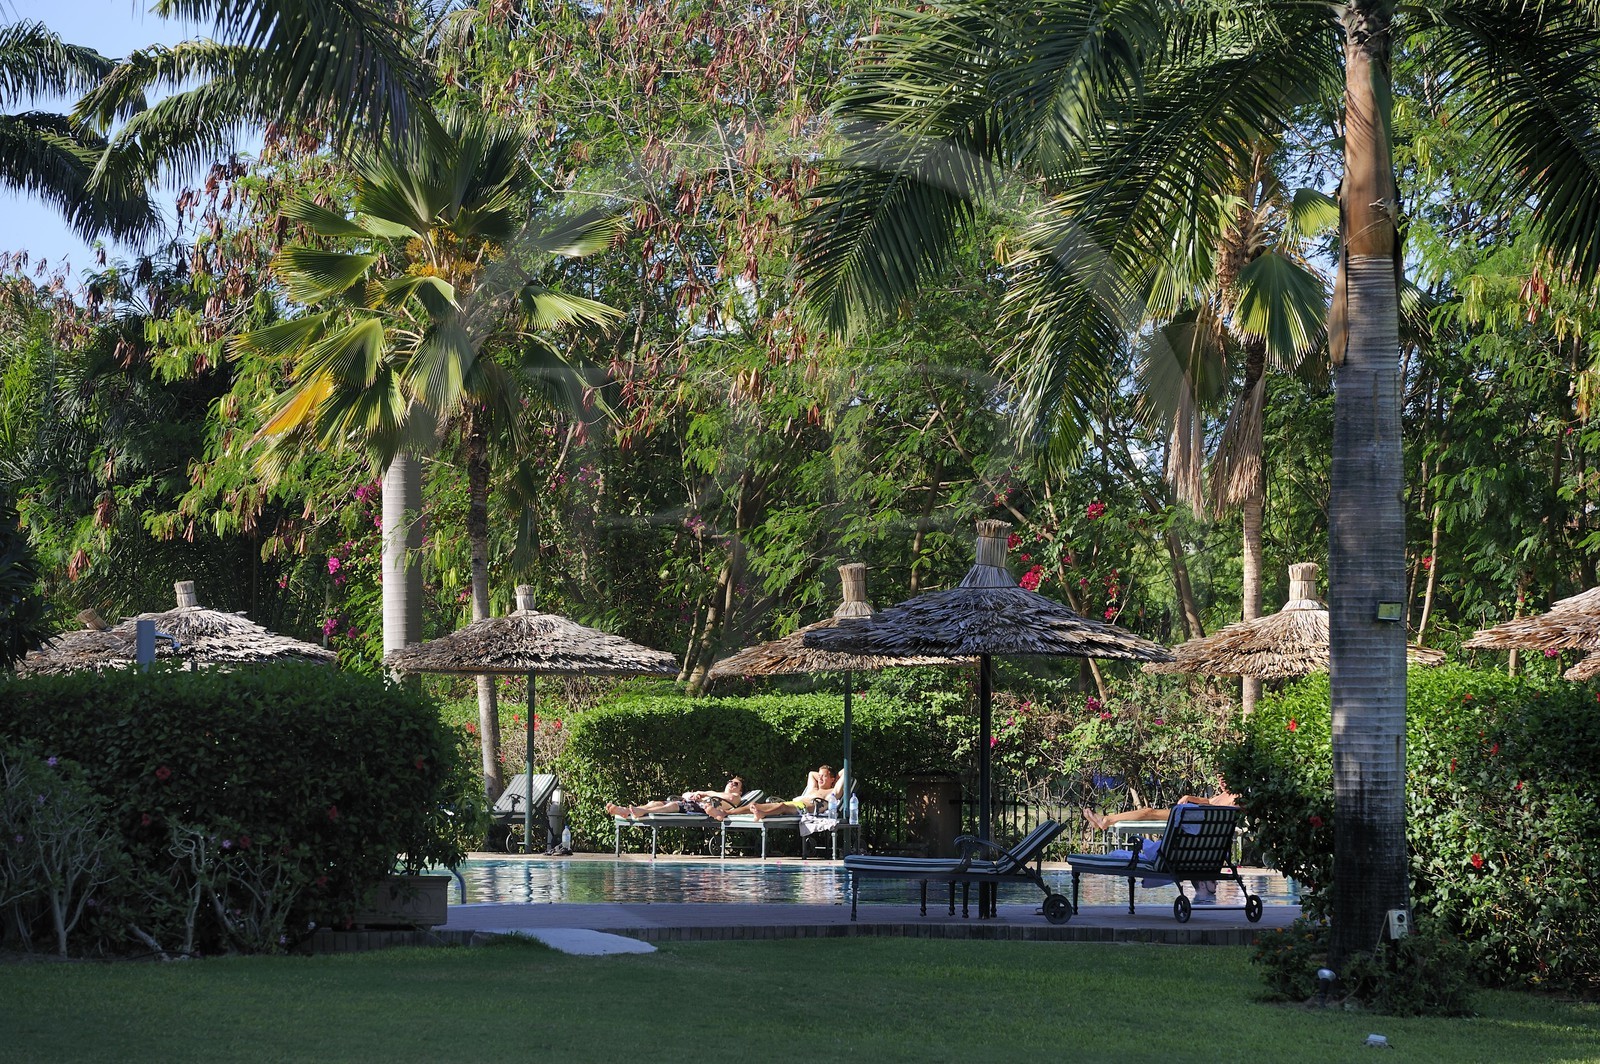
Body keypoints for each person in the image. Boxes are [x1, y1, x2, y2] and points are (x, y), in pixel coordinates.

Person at [1079, 780, 1238, 832]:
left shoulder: (1236, 797)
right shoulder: (1225, 795)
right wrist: (1190, 797)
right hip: (1192, 815)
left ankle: (1106, 820)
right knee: (1149, 812)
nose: (1221, 782)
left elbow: (1232, 808)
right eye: (1219, 778)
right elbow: (1210, 802)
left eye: (1224, 778)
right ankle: (1107, 819)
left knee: (1149, 812)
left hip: (1192, 817)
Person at [606, 776, 747, 820]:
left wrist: (705, 793)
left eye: (736, 784)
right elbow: (686, 794)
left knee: (673, 807)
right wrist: (694, 795)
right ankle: (626, 811)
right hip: (691, 803)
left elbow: (728, 797)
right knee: (654, 802)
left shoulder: (735, 798)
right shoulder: (713, 793)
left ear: (740, 791)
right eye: (730, 781)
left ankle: (639, 811)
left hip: (700, 808)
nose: (731, 784)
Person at [740, 764, 843, 820]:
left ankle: (762, 814)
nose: (820, 778)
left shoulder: (832, 792)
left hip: (804, 808)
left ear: (833, 779)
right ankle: (728, 812)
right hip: (795, 804)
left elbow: (846, 772)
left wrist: (834, 777)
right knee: (756, 805)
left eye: (824, 776)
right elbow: (811, 774)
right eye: (819, 776)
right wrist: (824, 775)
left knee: (782, 806)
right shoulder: (813, 789)